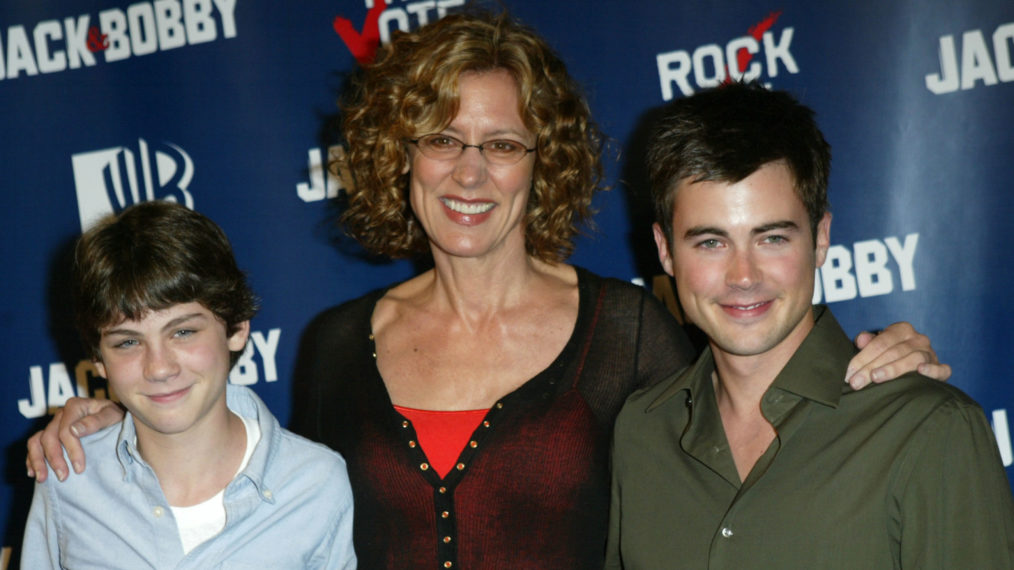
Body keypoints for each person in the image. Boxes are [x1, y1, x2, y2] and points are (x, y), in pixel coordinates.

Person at [27, 12, 949, 569]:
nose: (470, 173)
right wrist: (105, 426)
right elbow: (244, 478)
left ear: (540, 166)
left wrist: (880, 360)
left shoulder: (629, 330)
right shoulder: (337, 344)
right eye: (442, 138)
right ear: (401, 155)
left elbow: (760, 437)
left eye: (503, 144)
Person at [605, 82, 1014, 569]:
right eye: (711, 242)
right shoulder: (641, 434)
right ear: (665, 250)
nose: (743, 276)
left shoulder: (927, 432)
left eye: (772, 238)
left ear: (820, 238)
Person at [21, 202, 356, 569]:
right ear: (99, 359)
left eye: (183, 332)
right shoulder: (67, 481)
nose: (159, 367)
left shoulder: (314, 483)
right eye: (128, 342)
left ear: (237, 329)